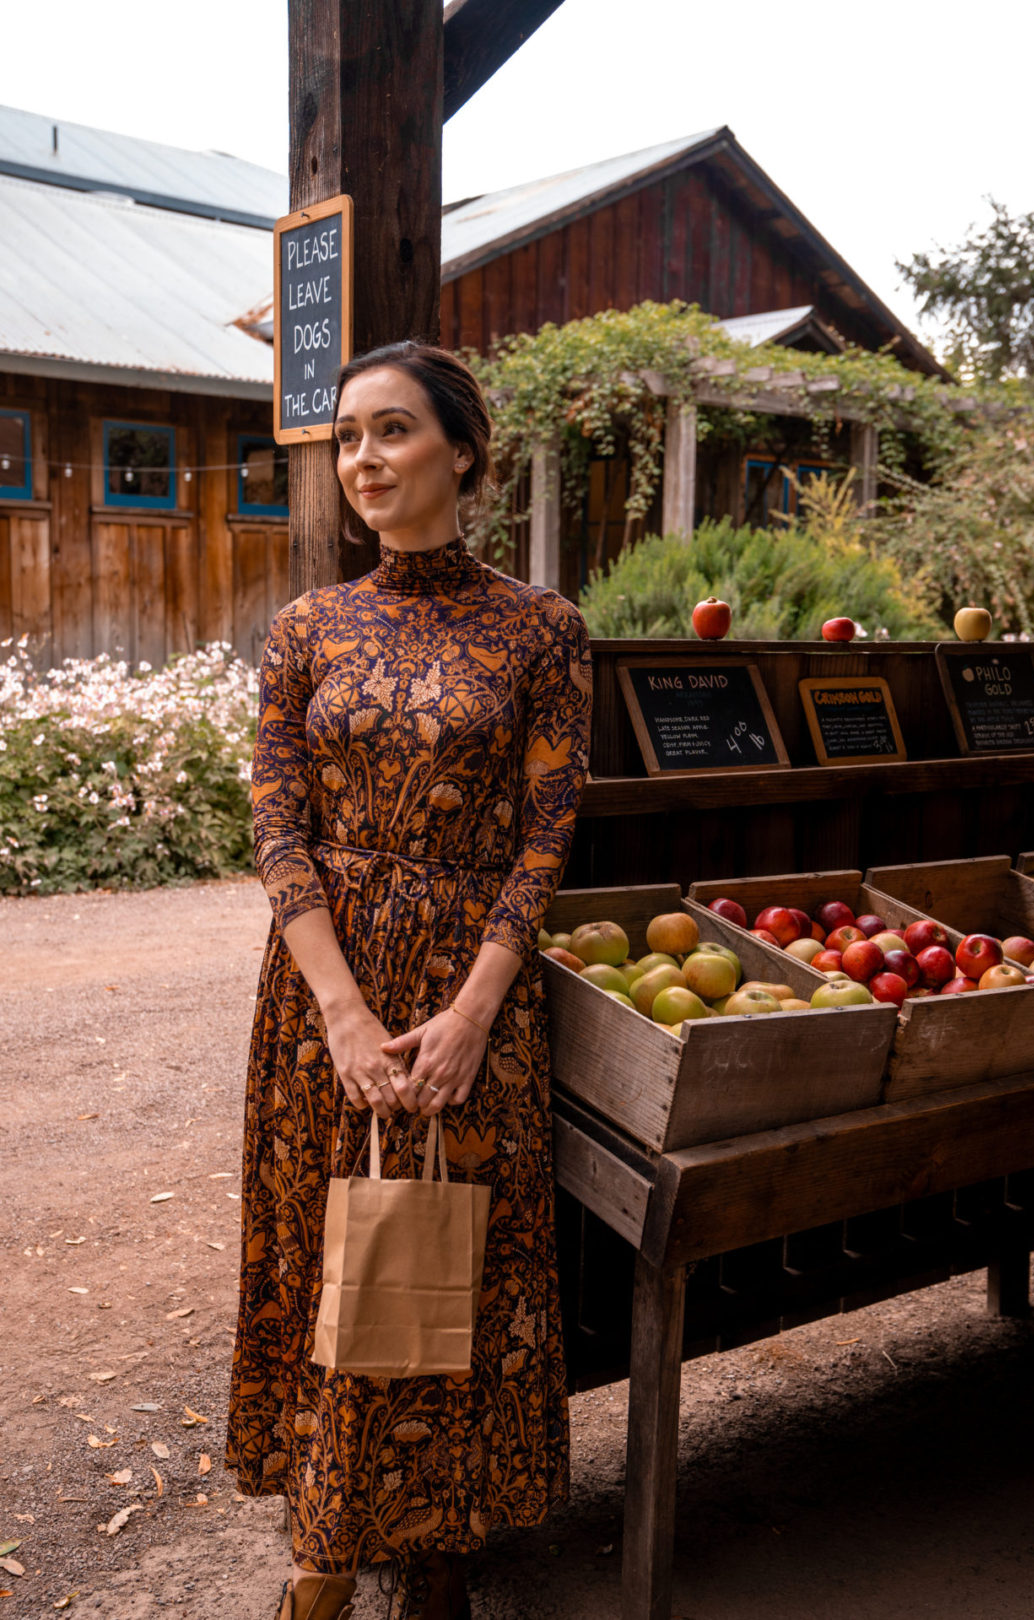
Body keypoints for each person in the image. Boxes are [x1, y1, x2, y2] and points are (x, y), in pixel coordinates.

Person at [225, 341, 593, 1620]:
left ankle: (441, 1543)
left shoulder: (543, 629)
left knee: (451, 1253)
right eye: (347, 441)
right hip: (324, 987)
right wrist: (339, 1007)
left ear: (464, 450)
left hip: (466, 984)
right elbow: (277, 824)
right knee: (332, 1253)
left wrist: (475, 1009)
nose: (364, 462)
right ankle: (327, 1548)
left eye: (392, 433)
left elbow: (546, 831)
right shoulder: (307, 629)